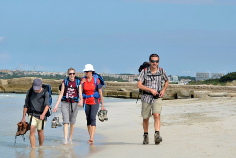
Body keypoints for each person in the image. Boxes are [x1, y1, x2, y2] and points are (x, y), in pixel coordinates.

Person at [137, 54, 169, 145]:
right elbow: (139, 85)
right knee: (146, 118)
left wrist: (163, 90)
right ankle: (146, 135)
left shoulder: (162, 71)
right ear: (150, 61)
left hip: (157, 97)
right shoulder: (144, 71)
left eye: (156, 61)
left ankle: (157, 135)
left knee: (156, 115)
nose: (154, 63)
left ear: (158, 62)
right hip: (146, 97)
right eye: (153, 61)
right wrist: (150, 90)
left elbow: (167, 81)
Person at [53, 68, 83, 144]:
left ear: (75, 74)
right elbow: (61, 94)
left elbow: (80, 93)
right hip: (65, 103)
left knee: (72, 122)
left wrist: (81, 100)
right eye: (70, 74)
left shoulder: (78, 82)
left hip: (74, 103)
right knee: (66, 121)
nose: (72, 75)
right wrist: (56, 105)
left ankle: (70, 138)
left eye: (73, 73)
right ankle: (65, 139)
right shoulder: (65, 82)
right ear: (68, 74)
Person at [21, 78, 50, 148]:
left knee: (40, 132)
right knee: (32, 130)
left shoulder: (45, 92)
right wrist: (23, 117)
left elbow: (47, 106)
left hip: (42, 114)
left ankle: (40, 147)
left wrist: (43, 114)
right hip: (32, 114)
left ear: (41, 86)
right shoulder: (30, 92)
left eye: (38, 88)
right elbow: (26, 105)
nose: (36, 90)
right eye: (35, 88)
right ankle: (33, 149)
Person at [81, 64, 105, 144]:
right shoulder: (83, 80)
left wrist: (102, 105)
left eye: (87, 71)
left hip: (95, 101)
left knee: (92, 117)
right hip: (86, 101)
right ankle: (90, 136)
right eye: (85, 71)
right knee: (88, 118)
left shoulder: (96, 80)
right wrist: (81, 84)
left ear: (91, 72)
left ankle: (92, 137)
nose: (86, 73)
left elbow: (100, 93)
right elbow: (80, 92)